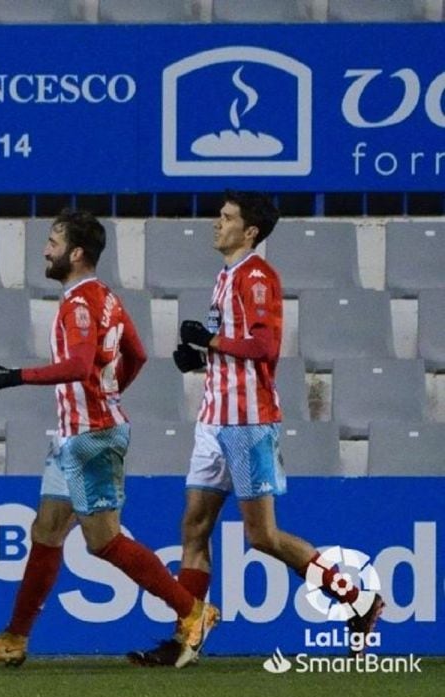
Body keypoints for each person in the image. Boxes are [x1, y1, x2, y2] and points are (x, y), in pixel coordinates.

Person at [128, 191, 384, 666]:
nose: (215, 223)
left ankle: (359, 598)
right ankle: (187, 637)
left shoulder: (258, 277)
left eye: (226, 218)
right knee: (194, 528)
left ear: (250, 231)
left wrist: (211, 340)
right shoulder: (225, 277)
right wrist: (199, 357)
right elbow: (233, 346)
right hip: (213, 419)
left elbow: (265, 347)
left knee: (263, 537)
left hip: (248, 423)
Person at [0, 209, 218, 669]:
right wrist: (110, 393)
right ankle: (15, 639)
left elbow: (78, 366)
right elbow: (135, 354)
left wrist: (16, 376)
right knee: (47, 531)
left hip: (91, 437)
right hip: (78, 435)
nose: (45, 249)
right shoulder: (107, 299)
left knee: (104, 542)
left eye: (53, 241)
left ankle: (192, 611)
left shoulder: (78, 303)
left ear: (76, 253)